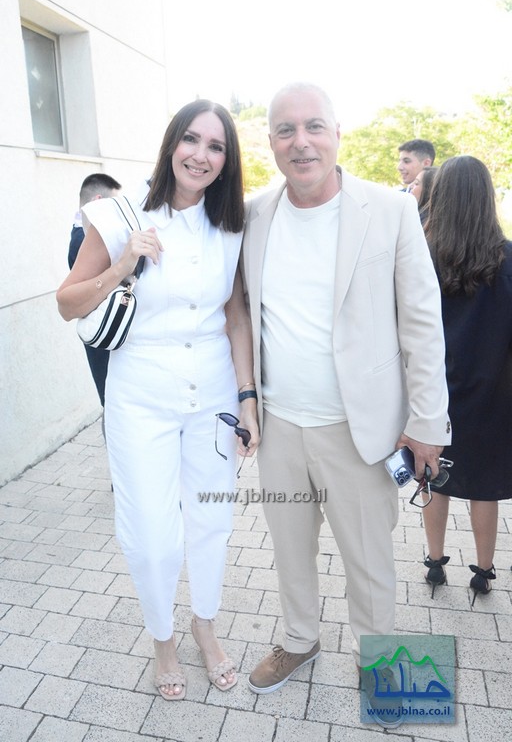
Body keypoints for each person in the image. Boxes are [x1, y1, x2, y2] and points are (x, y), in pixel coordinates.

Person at [241, 83, 450, 727]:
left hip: (359, 430)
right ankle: (299, 639)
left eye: (314, 126)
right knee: (289, 550)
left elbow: (422, 322)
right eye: (285, 130)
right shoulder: (253, 215)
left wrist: (427, 422)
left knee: (369, 560)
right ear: (271, 141)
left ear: (338, 133)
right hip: (279, 426)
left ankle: (381, 662)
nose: (300, 142)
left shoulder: (389, 210)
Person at [57, 100, 260, 700]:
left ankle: (205, 626)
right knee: (152, 535)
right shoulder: (117, 215)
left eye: (216, 146)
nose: (201, 155)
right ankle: (162, 637)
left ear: (227, 160)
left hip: (214, 391)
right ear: (171, 143)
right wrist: (124, 262)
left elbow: (236, 314)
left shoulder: (232, 224)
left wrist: (248, 400)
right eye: (191, 140)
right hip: (140, 395)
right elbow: (68, 302)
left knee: (212, 520)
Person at [420, 155, 512, 604]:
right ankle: (483, 571)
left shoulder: (423, 254)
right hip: (494, 393)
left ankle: (435, 562)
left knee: (434, 476)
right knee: (484, 486)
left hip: (435, 391)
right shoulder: (507, 258)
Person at [68, 173, 122, 407]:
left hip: (102, 333)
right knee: (112, 403)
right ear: (98, 202)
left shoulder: (81, 233)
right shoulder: (84, 238)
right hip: (103, 334)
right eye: (114, 204)